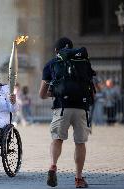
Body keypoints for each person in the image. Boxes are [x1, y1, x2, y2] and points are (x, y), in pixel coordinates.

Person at [39, 37, 93, 188]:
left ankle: (53, 166)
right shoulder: (82, 62)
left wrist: (57, 92)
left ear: (56, 50)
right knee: (80, 143)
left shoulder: (51, 64)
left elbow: (42, 94)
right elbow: (91, 88)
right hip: (81, 107)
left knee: (57, 139)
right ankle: (79, 178)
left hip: (62, 107)